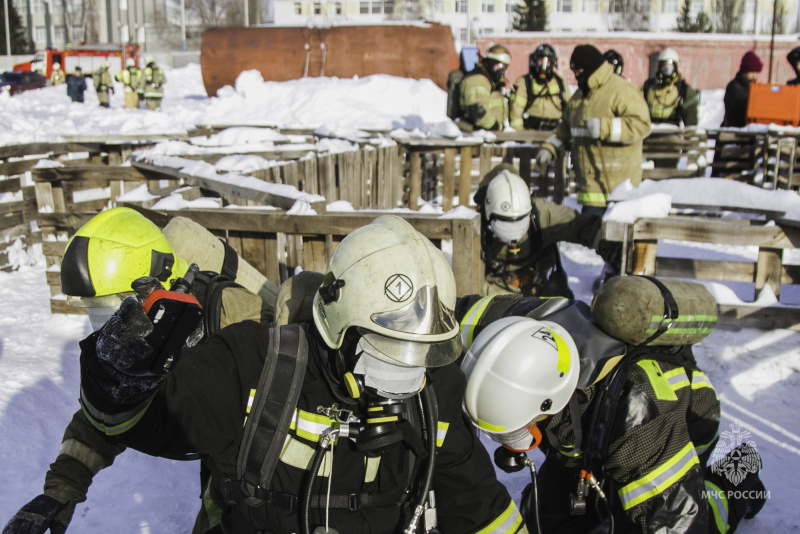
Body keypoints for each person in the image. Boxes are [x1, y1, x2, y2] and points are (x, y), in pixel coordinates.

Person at [4, 215, 527, 534]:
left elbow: (476, 503)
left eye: (422, 353)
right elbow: (149, 413)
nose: (409, 372)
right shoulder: (257, 364)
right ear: (341, 328)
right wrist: (114, 385)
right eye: (390, 348)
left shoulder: (433, 394)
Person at [456, 276, 768, 534]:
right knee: (542, 520)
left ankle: (737, 472)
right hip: (588, 435)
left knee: (651, 521)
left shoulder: (636, 418)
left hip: (683, 422)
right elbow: (452, 318)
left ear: (550, 400)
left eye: (517, 428)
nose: (515, 439)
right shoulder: (511, 332)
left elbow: (677, 526)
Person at [535, 44, 650, 288]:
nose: (576, 77)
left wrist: (606, 128)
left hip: (618, 182)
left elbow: (641, 124)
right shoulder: (579, 98)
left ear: (590, 69)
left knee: (617, 233)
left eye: (578, 71)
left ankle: (621, 276)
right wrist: (549, 149)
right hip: (590, 184)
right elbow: (565, 129)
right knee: (596, 231)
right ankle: (613, 269)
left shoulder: (621, 90)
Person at [475, 164, 617, 300]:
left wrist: (609, 244)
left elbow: (579, 225)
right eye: (506, 225)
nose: (514, 235)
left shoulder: (542, 214)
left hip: (538, 290)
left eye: (519, 223)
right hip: (496, 293)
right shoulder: (475, 225)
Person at [510, 44, 570, 131]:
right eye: (541, 60)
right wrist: (522, 137)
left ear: (554, 63)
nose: (544, 65)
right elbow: (515, 112)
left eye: (548, 61)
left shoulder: (560, 83)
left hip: (555, 134)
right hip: (531, 133)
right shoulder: (524, 82)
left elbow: (569, 110)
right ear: (535, 61)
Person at [457, 44, 512, 132]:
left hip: (488, 134)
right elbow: (478, 112)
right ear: (490, 63)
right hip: (476, 134)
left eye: (505, 67)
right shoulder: (477, 80)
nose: (502, 71)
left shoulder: (489, 81)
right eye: (500, 66)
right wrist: (497, 127)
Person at [642, 48, 700, 128]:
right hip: (649, 133)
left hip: (672, 135)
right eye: (664, 68)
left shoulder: (684, 91)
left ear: (676, 68)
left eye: (669, 68)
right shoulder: (648, 88)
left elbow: (691, 124)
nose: (666, 71)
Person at [722, 50, 763, 128]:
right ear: (744, 71)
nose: (754, 76)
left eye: (756, 72)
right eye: (751, 72)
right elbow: (739, 107)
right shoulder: (734, 86)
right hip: (733, 129)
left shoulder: (754, 87)